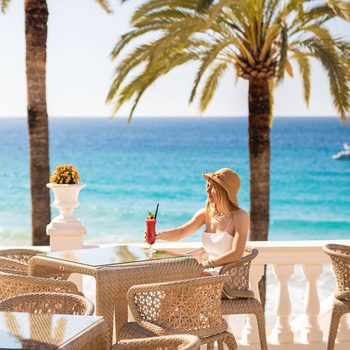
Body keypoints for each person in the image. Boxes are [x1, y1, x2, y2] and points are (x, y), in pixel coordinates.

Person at [155, 168, 249, 272]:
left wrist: (207, 264)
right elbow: (181, 232)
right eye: (207, 185)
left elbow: (237, 253)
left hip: (227, 277)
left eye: (212, 187)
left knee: (177, 275)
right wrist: (158, 235)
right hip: (208, 274)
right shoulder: (206, 213)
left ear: (224, 191)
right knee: (169, 272)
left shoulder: (240, 216)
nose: (207, 190)